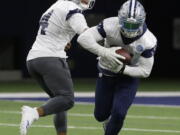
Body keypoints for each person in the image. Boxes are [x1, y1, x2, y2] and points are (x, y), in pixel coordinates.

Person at [20, 0, 125, 135]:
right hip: (50, 58)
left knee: (59, 102)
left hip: (33, 60)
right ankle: (33, 112)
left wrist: (63, 41)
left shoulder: (57, 4)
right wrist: (106, 52)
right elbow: (87, 37)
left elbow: (51, 29)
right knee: (67, 99)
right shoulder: (73, 10)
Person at [77, 0, 157, 135]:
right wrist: (105, 52)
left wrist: (122, 69)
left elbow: (145, 71)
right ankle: (107, 122)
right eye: (127, 24)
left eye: (134, 25)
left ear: (142, 21)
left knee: (119, 113)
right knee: (100, 115)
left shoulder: (148, 40)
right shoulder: (110, 25)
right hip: (107, 72)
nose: (130, 29)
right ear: (120, 19)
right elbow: (83, 39)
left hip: (129, 76)